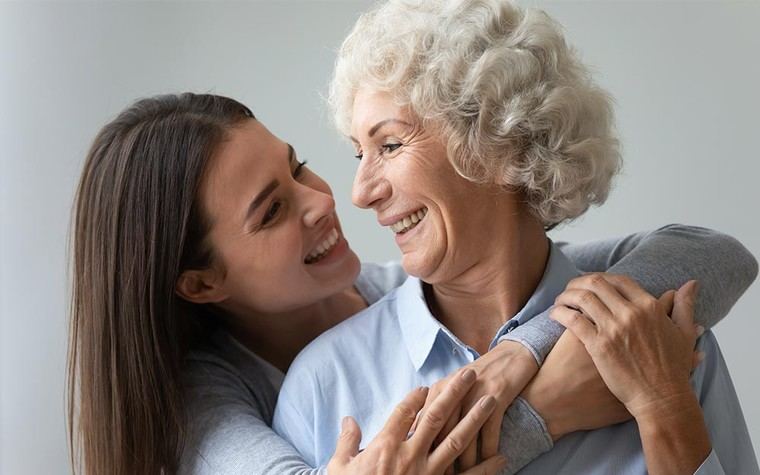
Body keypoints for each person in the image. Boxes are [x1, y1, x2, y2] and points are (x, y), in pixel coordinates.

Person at [67, 93, 755, 475]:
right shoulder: (211, 404)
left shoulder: (430, 288)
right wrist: (545, 408)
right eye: (272, 210)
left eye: (300, 167)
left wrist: (527, 350)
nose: (332, 198)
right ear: (200, 281)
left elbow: (706, 254)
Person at [272, 0, 759, 474]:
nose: (361, 193)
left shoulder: (659, 333)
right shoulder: (324, 383)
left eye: (391, 145)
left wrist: (665, 408)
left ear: (501, 141)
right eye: (361, 153)